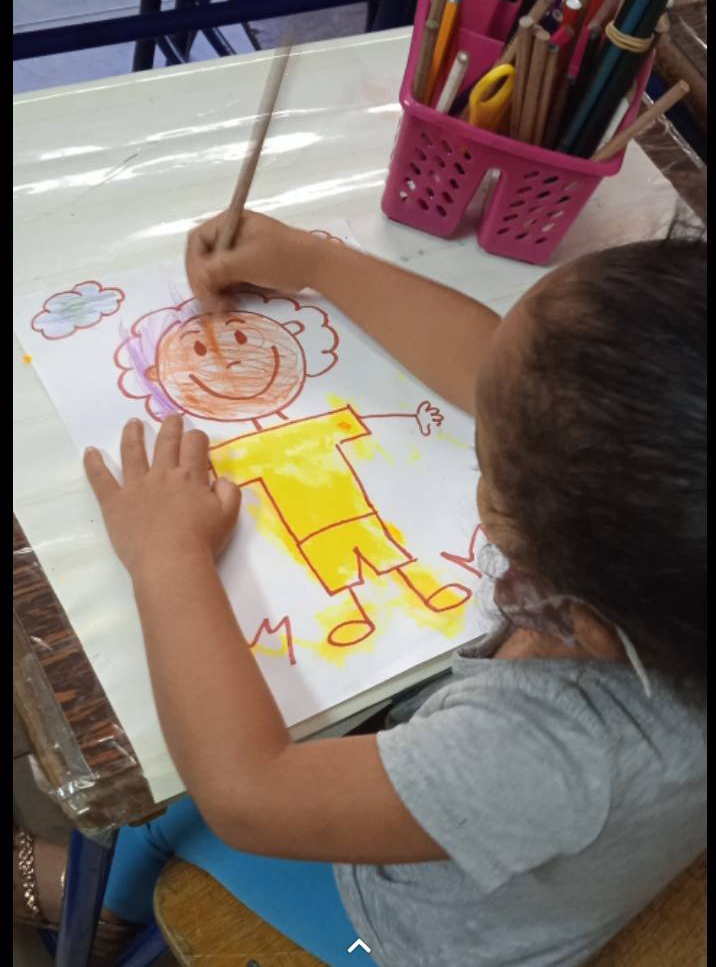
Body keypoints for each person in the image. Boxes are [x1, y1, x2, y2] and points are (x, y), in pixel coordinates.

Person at [14, 211, 706, 967]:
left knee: (172, 788)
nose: (482, 419)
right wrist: (317, 261)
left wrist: (166, 555)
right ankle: (106, 904)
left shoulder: (558, 747)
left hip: (402, 932)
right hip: (511, 823)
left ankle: (88, 909)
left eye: (487, 456)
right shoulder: (662, 561)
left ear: (579, 588)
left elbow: (249, 793)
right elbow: (502, 368)